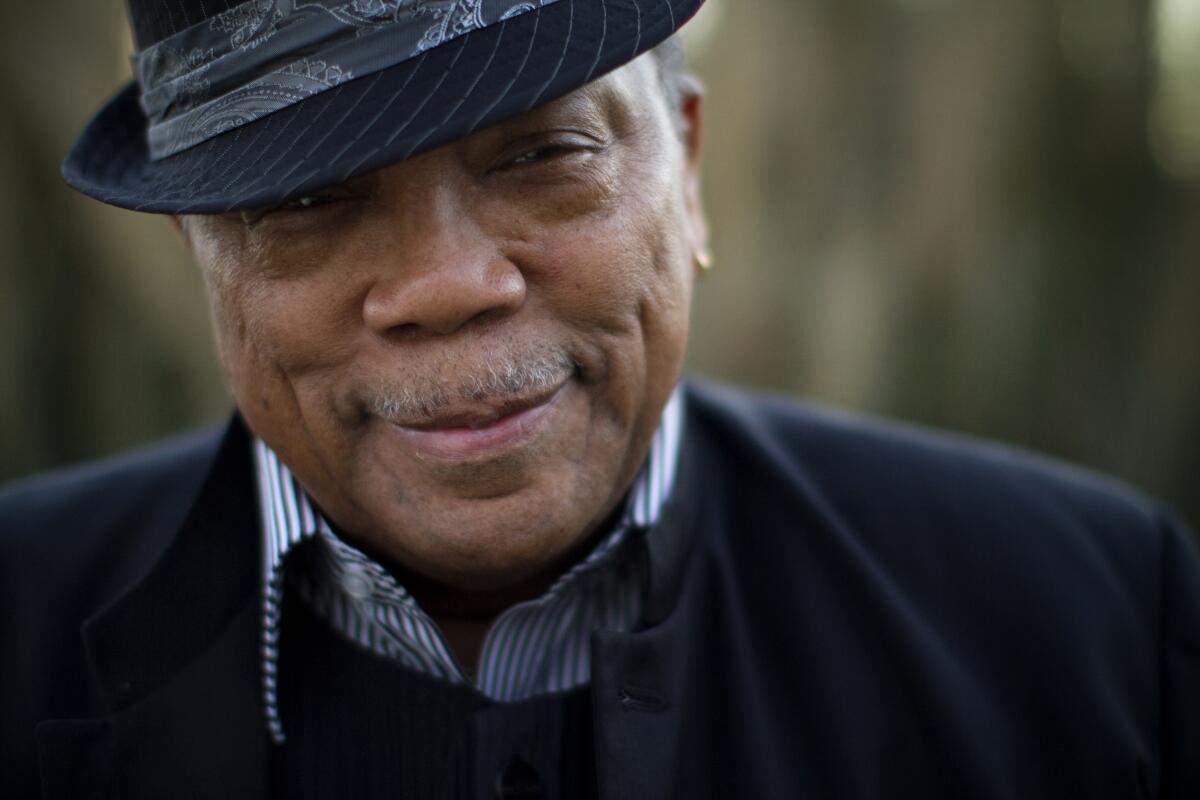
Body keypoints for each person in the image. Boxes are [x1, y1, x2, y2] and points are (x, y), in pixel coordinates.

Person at [2, 0, 1197, 797]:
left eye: (543, 153)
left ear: (688, 171)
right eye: (309, 200)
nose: (447, 284)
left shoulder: (1085, 628)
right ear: (203, 261)